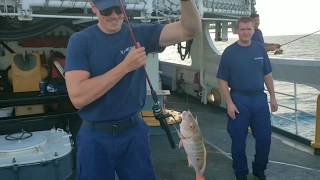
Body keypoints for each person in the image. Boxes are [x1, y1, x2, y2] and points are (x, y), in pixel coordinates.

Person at [64, 0, 201, 180]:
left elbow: (190, 30)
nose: (114, 15)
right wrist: (125, 67)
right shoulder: (81, 41)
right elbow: (78, 97)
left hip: (133, 131)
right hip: (96, 135)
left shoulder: (139, 33)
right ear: (95, 9)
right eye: (107, 11)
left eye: (118, 9)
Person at [216, 17, 278, 180]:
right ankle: (241, 172)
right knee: (238, 140)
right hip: (238, 99)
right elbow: (222, 80)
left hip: (259, 100)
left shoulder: (260, 49)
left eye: (248, 29)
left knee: (265, 138)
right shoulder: (229, 52)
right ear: (237, 31)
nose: (245, 32)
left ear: (253, 30)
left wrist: (273, 96)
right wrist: (229, 103)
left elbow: (267, 74)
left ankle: (259, 169)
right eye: (242, 29)